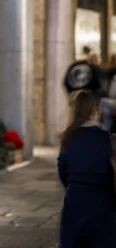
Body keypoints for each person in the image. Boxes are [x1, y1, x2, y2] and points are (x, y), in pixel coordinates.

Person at [58, 90, 116, 248]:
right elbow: (110, 169)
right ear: (93, 110)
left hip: (75, 198)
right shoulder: (104, 136)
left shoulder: (68, 136)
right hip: (101, 199)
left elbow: (62, 170)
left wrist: (74, 186)